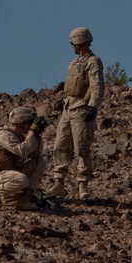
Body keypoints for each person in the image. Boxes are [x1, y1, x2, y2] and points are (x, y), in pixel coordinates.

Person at [49, 27, 104, 199]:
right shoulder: (74, 63)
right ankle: (59, 183)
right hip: (68, 107)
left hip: (82, 108)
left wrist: (93, 107)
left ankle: (83, 186)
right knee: (60, 145)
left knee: (82, 147)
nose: (72, 46)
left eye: (74, 42)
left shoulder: (93, 62)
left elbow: (97, 87)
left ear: (81, 42)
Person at [0, 107, 49, 211]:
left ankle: (24, 199)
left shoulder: (19, 136)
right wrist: (31, 133)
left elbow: (34, 155)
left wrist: (36, 136)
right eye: (29, 122)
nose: (31, 125)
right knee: (21, 179)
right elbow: (21, 151)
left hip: (12, 172)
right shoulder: (4, 135)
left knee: (40, 162)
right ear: (21, 122)